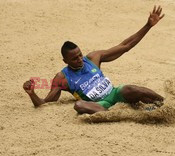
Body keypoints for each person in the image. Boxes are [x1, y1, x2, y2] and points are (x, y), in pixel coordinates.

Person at [23, 5, 165, 114]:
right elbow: (45, 103)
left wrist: (147, 26)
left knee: (130, 89)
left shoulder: (93, 58)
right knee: (78, 105)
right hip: (99, 105)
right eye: (74, 59)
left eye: (80, 55)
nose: (79, 60)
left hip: (114, 94)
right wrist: (32, 94)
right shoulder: (62, 78)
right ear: (65, 61)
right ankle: (120, 113)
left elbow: (125, 46)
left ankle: (165, 103)